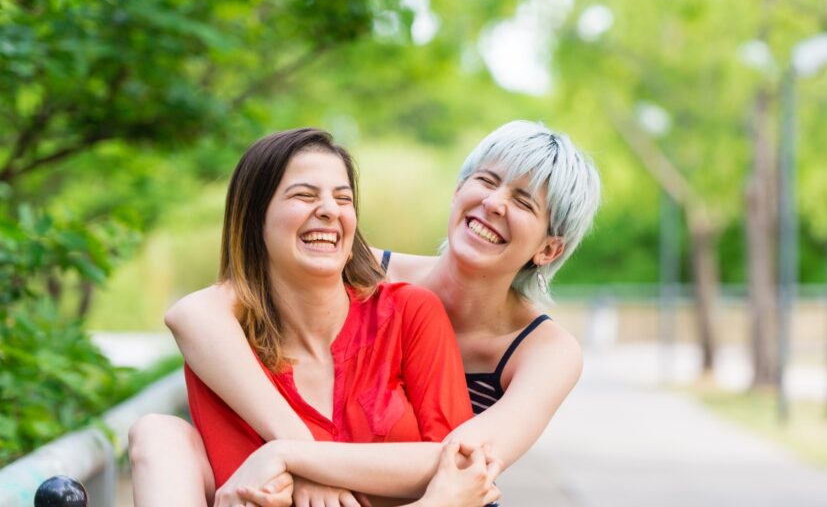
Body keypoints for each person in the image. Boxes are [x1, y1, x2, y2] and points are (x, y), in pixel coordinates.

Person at [131, 120, 601, 506]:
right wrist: (299, 455)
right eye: (486, 180)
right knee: (159, 432)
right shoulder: (354, 266)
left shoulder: (545, 349)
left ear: (549, 247)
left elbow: (466, 462)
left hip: (449, 499)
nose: (494, 203)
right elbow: (197, 314)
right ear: (459, 191)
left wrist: (295, 458)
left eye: (522, 202)